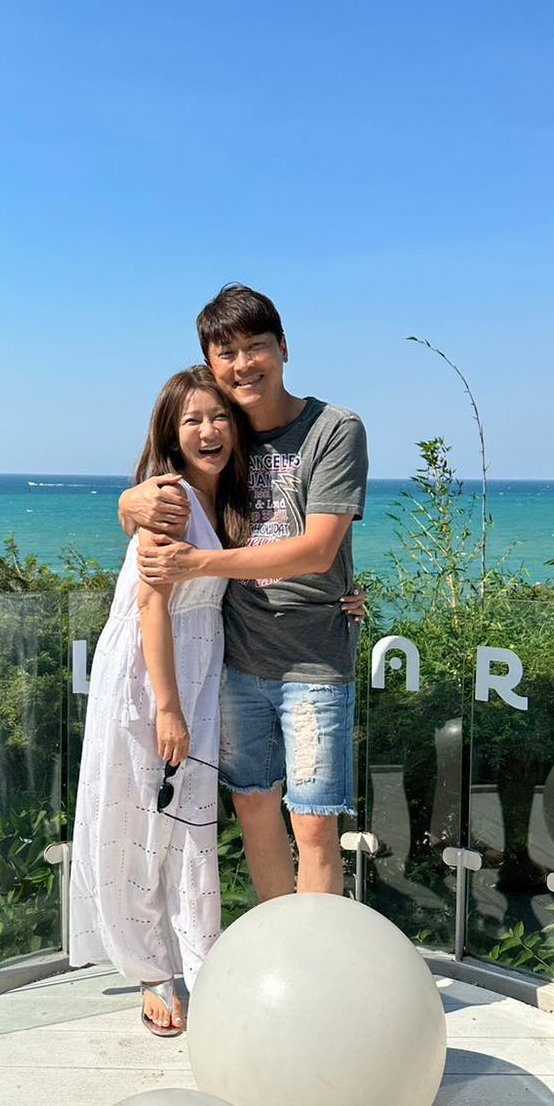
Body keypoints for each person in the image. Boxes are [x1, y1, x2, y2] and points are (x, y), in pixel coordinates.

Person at [120, 284, 369, 904]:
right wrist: (128, 502)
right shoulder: (224, 434)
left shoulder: (334, 430)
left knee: (315, 825)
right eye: (225, 353)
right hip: (236, 661)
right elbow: (166, 481)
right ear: (211, 363)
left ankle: (314, 953)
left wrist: (200, 563)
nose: (242, 365)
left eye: (255, 347)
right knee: (255, 813)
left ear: (283, 347)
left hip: (314, 660)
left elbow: (318, 549)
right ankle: (277, 947)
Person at [68, 366, 251, 1037]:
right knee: (143, 822)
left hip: (193, 672)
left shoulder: (227, 499)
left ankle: (198, 961)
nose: (209, 431)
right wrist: (168, 707)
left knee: (187, 822)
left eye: (219, 416)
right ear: (171, 435)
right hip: (150, 675)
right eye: (192, 420)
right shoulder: (169, 499)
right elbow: (152, 606)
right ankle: (152, 968)